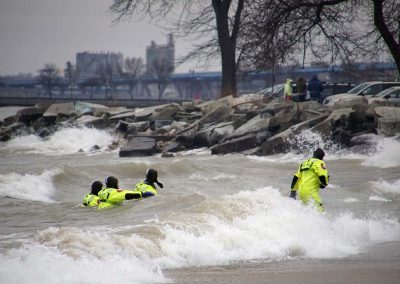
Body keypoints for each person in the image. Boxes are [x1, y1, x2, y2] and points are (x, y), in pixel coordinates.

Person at [289, 148, 329, 212]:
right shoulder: (319, 163)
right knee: (321, 211)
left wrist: (292, 192)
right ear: (321, 156)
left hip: (301, 192)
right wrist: (324, 184)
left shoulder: (304, 163)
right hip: (311, 192)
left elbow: (296, 177)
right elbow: (323, 176)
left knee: (308, 211)